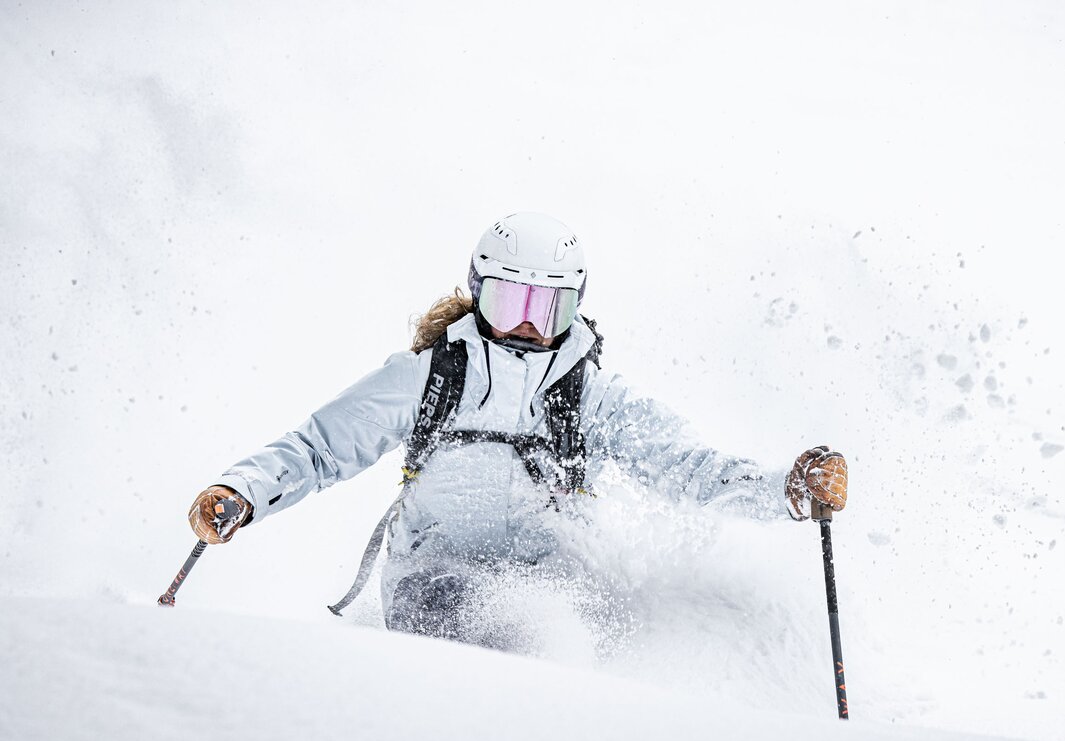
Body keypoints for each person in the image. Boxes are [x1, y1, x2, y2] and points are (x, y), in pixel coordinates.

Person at [188, 212, 848, 647]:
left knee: (556, 630)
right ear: (479, 293)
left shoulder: (589, 395)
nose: (528, 325)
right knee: (462, 626)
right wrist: (242, 492)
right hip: (433, 577)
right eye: (511, 301)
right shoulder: (429, 375)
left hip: (559, 578)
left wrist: (786, 490)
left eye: (548, 305)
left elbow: (684, 465)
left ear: (574, 306)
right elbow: (321, 446)